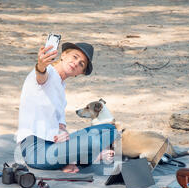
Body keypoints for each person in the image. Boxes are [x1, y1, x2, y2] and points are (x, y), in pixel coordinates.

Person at [15, 41, 117, 173]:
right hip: (35, 150)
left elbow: (61, 127)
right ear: (63, 55)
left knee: (110, 129)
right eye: (75, 57)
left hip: (54, 145)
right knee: (94, 142)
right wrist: (40, 65)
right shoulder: (48, 73)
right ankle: (80, 159)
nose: (76, 63)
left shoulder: (61, 88)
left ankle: (68, 160)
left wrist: (62, 134)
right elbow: (41, 75)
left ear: (79, 73)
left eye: (81, 64)